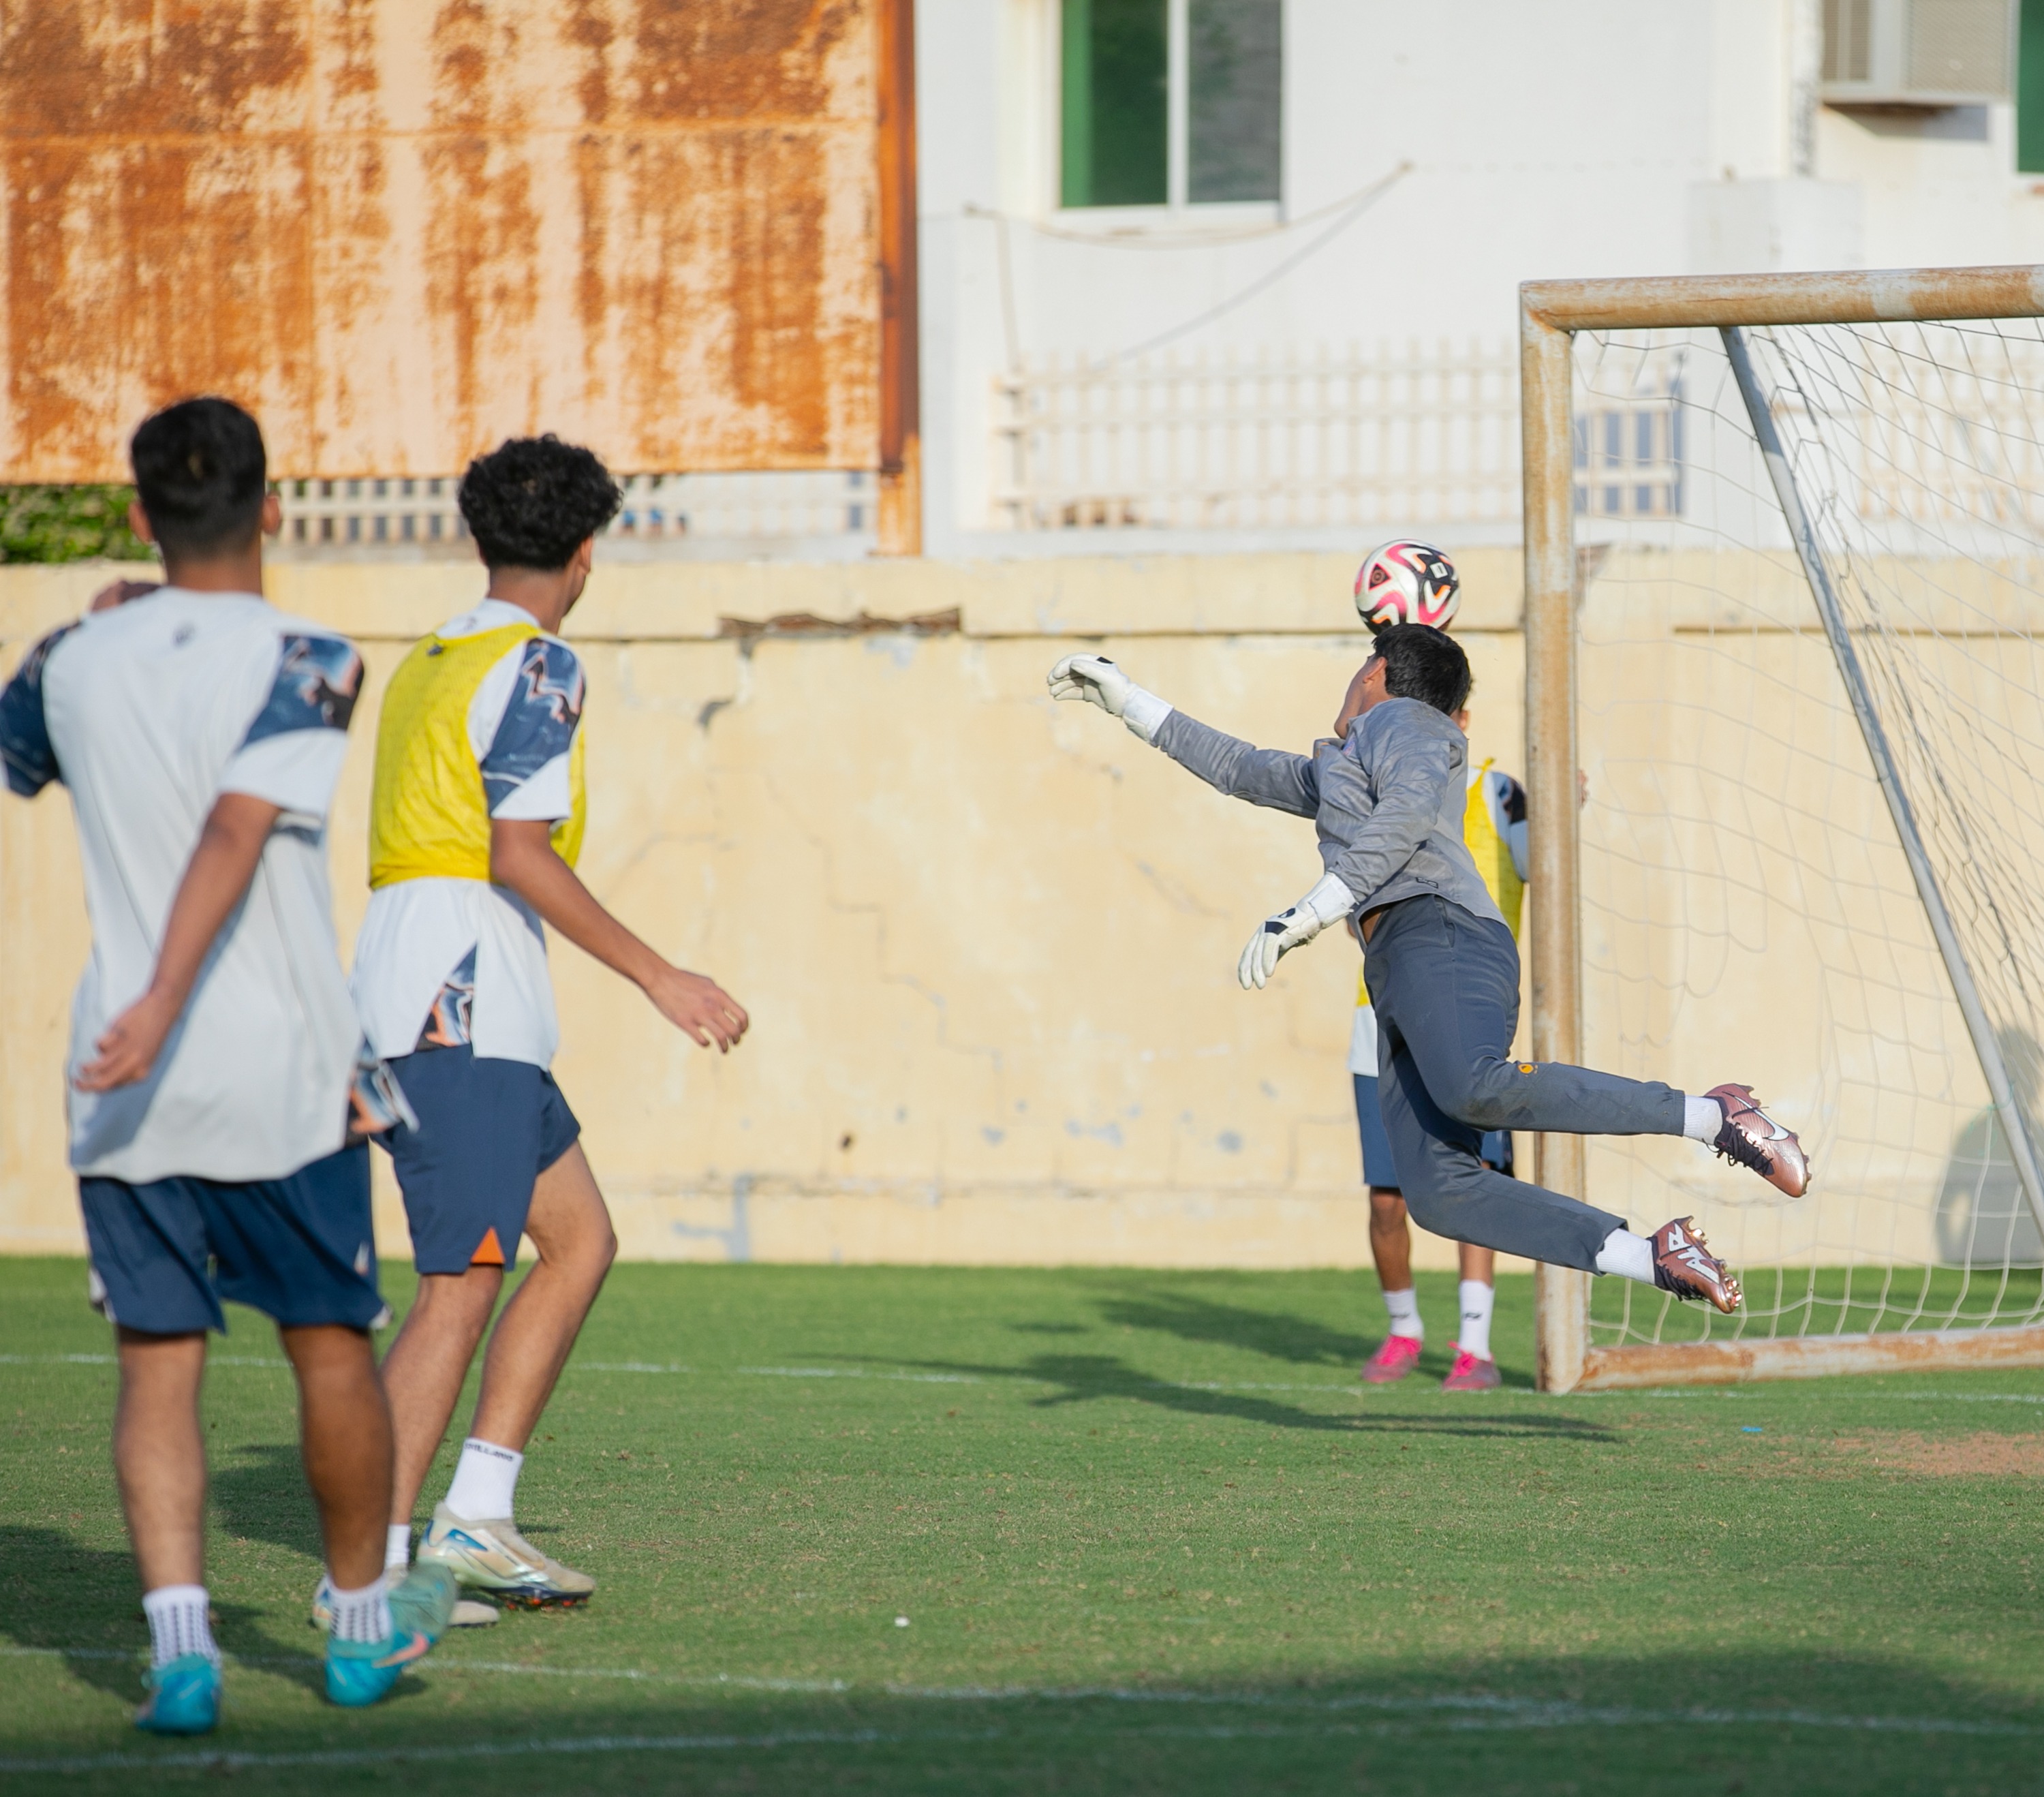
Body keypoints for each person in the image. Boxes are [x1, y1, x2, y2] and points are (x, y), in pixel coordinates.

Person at [0, 398, 453, 1734]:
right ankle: (361, 1629)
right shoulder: (314, 655)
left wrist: (111, 624)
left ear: (138, 513)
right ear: (273, 509)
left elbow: (25, 744)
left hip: (123, 1080)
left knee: (158, 1364)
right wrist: (166, 994)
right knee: (328, 1352)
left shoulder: (68, 660)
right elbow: (239, 829)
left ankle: (183, 1651)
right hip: (279, 1068)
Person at [1047, 626, 1810, 1318]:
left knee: (1477, 1086)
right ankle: (1654, 1256)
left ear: (1377, 672)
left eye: (1358, 666)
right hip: (1397, 964)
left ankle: (1717, 1117)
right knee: (1441, 1195)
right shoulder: (1342, 762)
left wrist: (1309, 913)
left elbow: (1407, 817)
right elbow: (1240, 767)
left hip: (1441, 933)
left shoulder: (1407, 721)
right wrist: (1129, 703)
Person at [347, 434, 749, 1617]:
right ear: (585, 554)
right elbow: (516, 853)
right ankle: (362, 1571)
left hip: (434, 984)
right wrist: (659, 974)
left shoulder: (428, 656)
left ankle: (474, 1518)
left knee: (578, 1241)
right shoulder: (542, 666)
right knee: (460, 1281)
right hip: (456, 995)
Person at [1351, 705, 1529, 1392]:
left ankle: (1475, 1346)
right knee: (1387, 1201)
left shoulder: (1499, 791)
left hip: (1470, 1021)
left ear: (1461, 721)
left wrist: (1563, 813)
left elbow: (1542, 865)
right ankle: (1403, 1331)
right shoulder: (1383, 800)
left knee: (1471, 1189)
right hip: (1382, 1018)